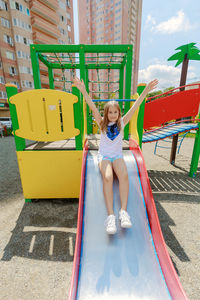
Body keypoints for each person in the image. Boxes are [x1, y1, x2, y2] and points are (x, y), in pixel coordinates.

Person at [73, 77, 158, 234]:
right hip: (104, 157)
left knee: (124, 175)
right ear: (106, 114)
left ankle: (123, 213)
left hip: (117, 156)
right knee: (108, 177)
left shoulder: (122, 122)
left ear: (119, 113)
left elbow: (136, 105)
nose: (112, 114)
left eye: (115, 112)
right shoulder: (101, 123)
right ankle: (110, 216)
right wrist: (83, 90)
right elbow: (91, 106)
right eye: (110, 112)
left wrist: (145, 91)